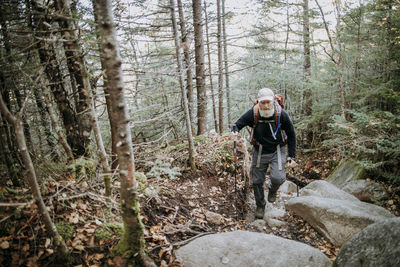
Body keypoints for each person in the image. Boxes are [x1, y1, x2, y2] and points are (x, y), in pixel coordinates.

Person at [231, 88, 296, 219]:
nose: (266, 105)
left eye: (268, 102)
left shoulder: (281, 114)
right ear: (258, 102)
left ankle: (272, 189)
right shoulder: (253, 113)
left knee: (278, 178)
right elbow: (237, 124)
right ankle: (260, 205)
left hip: (277, 148)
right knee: (257, 181)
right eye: (263, 103)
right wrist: (234, 131)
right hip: (259, 149)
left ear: (273, 101)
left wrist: (291, 156)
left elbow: (291, 134)